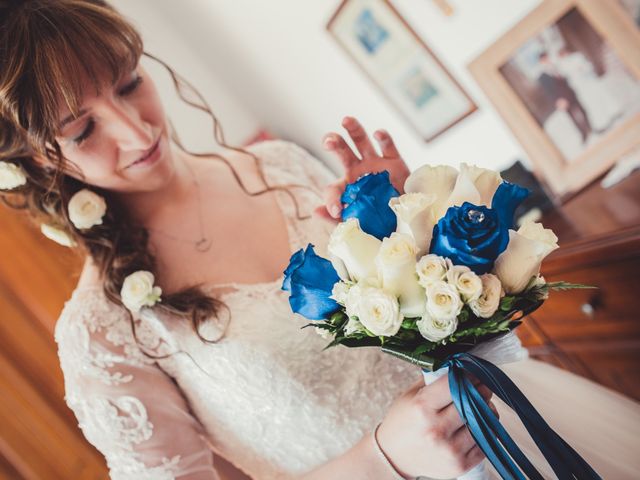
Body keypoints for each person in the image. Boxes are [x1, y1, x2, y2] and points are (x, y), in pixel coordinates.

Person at [1, 1, 639, 479]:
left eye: (129, 83)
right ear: (37, 161)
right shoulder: (101, 332)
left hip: (524, 432)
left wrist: (411, 223)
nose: (136, 132)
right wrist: (382, 457)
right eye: (84, 130)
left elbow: (435, 327)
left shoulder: (280, 164)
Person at [537, 51, 593, 143]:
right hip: (562, 99)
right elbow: (549, 91)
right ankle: (583, 133)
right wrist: (558, 101)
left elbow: (565, 79)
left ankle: (590, 127)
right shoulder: (542, 76)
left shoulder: (555, 67)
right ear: (542, 61)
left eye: (547, 58)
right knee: (572, 117)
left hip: (570, 93)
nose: (547, 60)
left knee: (582, 109)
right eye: (545, 59)